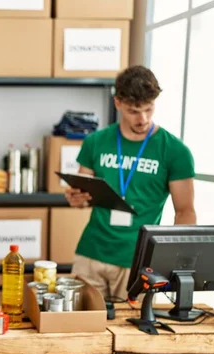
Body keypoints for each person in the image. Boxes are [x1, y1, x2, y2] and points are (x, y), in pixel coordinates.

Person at [66, 65, 196, 300]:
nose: (143, 119)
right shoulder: (96, 142)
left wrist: (178, 263)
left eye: (149, 109)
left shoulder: (175, 151)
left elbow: (185, 212)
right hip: (91, 253)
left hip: (138, 261)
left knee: (135, 332)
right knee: (82, 328)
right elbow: (81, 195)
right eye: (134, 111)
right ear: (118, 104)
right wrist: (76, 198)